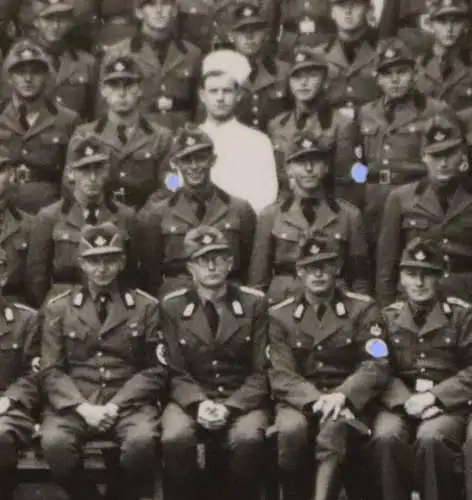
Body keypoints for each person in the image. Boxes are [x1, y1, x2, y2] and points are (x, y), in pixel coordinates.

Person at [40, 221, 167, 500]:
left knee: (141, 442)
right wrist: (83, 408)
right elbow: (51, 369)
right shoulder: (59, 307)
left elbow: (155, 369)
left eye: (109, 260)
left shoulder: (146, 307)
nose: (101, 269)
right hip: (76, 401)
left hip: (127, 402)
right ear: (82, 264)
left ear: (122, 262)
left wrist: (115, 405)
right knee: (55, 443)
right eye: (93, 261)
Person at [268, 234, 390, 500]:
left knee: (335, 425)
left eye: (325, 266)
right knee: (290, 430)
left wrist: (342, 395)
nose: (319, 274)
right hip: (299, 401)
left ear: (337, 268)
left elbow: (376, 363)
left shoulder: (362, 309)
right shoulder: (280, 315)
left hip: (347, 399)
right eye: (311, 267)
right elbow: (280, 373)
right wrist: (316, 400)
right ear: (299, 272)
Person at [160, 225, 269, 500]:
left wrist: (231, 407)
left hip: (241, 398)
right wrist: (198, 403)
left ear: (230, 263)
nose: (211, 266)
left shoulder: (254, 304)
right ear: (189, 268)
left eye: (218, 258)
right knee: (175, 438)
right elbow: (173, 370)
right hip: (190, 398)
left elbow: (262, 371)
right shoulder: (172, 307)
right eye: (202, 260)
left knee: (248, 439)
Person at [369, 237, 472, 500]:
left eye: (427, 275)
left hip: (447, 405)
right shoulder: (386, 318)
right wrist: (406, 402)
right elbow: (377, 366)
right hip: (399, 402)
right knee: (385, 437)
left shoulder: (461, 316)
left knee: (431, 437)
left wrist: (435, 397)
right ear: (401, 277)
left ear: (441, 276)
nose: (419, 282)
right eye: (411, 274)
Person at [249, 131, 371, 304]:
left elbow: (360, 280)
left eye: (315, 161)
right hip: (284, 304)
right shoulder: (271, 216)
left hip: (334, 303)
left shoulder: (349, 215)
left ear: (326, 166)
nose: (308, 168)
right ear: (288, 169)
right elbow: (258, 282)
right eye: (300, 162)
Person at [26, 135, 145, 308]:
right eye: (84, 170)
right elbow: (37, 278)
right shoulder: (49, 218)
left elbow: (135, 274)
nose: (92, 178)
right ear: (70, 173)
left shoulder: (125, 216)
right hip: (66, 310)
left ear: (107, 171)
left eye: (98, 169)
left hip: (114, 305)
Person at [140, 125, 256, 297]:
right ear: (175, 163)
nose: (194, 166)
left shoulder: (239, 209)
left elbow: (247, 265)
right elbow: (151, 272)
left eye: (201, 158)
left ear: (213, 160)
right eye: (186, 160)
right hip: (177, 298)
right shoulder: (159, 214)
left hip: (227, 296)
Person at [358, 37, 448, 257]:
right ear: (378, 78)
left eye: (402, 72)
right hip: (375, 202)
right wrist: (363, 184)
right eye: (387, 74)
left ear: (414, 74)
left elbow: (448, 163)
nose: (395, 80)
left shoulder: (434, 110)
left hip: (416, 202)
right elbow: (356, 164)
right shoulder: (366, 112)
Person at [376, 110, 472, 306]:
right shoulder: (401, 198)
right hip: (414, 300)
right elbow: (387, 265)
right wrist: (387, 311)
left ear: (462, 154)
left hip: (465, 299)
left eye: (449, 154)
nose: (443, 163)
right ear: (423, 157)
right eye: (435, 155)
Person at [69, 52, 173, 210]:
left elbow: (172, 184)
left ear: (140, 89)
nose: (122, 93)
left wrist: (147, 213)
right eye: (114, 86)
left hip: (145, 219)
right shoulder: (84, 134)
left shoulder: (161, 136)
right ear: (103, 91)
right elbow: (70, 182)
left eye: (129, 85)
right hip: (100, 218)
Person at [267, 45, 357, 205]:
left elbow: (345, 182)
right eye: (296, 77)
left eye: (311, 76)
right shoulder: (277, 125)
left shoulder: (340, 123)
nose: (303, 83)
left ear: (324, 81)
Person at [0, 39, 81, 214]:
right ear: (10, 77)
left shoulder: (67, 120)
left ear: (45, 75)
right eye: (21, 73)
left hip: (48, 209)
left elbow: (74, 176)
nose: (28, 79)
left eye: (35, 72)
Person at [97, 0, 202, 131]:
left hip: (180, 137)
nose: (159, 10)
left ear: (174, 10)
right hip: (137, 138)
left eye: (164, 3)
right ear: (139, 12)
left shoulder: (192, 54)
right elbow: (103, 109)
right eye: (151, 4)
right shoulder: (118, 53)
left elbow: (199, 107)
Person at [199, 49, 278, 213]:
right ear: (202, 95)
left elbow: (267, 193)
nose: (220, 98)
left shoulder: (258, 141)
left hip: (242, 226)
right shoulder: (188, 139)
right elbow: (175, 186)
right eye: (213, 91)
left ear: (239, 95)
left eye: (227, 91)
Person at [0, 289, 40, 500]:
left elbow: (35, 373)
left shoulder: (27, 319)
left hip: (11, 408)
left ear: (3, 276)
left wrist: (8, 399)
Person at [227, 2, 290, 132]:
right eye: (241, 31)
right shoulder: (220, 74)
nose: (249, 36)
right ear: (230, 36)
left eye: (255, 29)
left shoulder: (284, 72)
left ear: (266, 34)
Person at [29, 0, 97, 121]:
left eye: (61, 19)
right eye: (48, 19)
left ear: (70, 23)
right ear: (36, 22)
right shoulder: (23, 62)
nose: (55, 26)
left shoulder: (86, 62)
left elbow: (95, 112)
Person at [313, 0, 382, 116]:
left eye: (355, 4)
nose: (348, 11)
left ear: (368, 9)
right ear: (332, 12)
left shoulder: (382, 51)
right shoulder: (318, 54)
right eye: (341, 5)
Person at [415, 0, 472, 112]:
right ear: (430, 25)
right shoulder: (417, 65)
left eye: (455, 22)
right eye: (442, 22)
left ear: (465, 25)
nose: (449, 29)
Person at [178, 0, 279, 54]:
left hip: (243, 63)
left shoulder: (262, 3)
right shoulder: (181, 3)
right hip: (194, 64)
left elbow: (266, 35)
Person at [0, 146, 33, 306]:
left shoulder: (27, 224)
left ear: (10, 174)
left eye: (0, 170)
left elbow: (35, 282)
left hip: (15, 313)